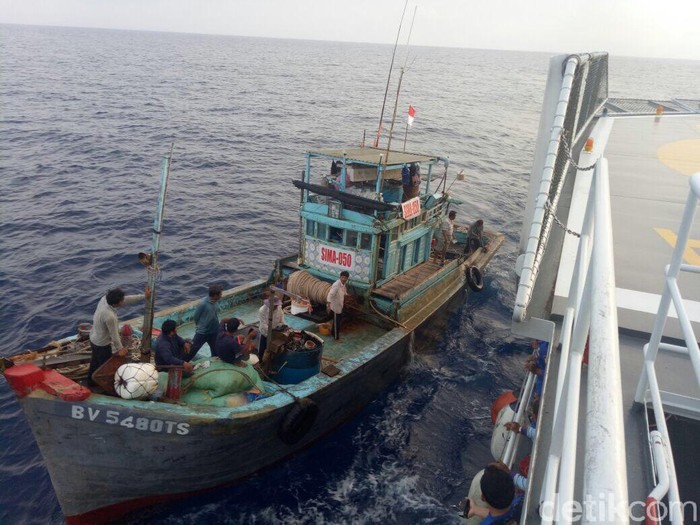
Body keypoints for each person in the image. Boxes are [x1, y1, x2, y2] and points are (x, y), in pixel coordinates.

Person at [87, 286, 150, 386]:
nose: (123, 302)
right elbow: (114, 335)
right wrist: (120, 349)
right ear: (116, 303)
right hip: (102, 345)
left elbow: (126, 300)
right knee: (106, 367)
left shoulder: (104, 299)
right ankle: (106, 385)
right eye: (121, 301)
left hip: (93, 338)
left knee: (95, 362)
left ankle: (90, 382)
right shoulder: (110, 316)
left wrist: (144, 296)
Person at [189, 285, 223, 360]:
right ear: (215, 295)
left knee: (215, 350)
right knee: (193, 349)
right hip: (203, 332)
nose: (221, 295)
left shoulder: (216, 302)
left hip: (214, 331)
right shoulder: (203, 304)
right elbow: (196, 316)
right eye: (220, 294)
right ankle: (182, 364)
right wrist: (200, 326)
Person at [258, 293, 285, 361]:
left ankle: (271, 362)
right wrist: (272, 331)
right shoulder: (262, 310)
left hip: (275, 332)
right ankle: (261, 362)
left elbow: (282, 320)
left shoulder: (279, 309)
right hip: (265, 333)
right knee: (262, 349)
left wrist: (284, 326)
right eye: (274, 305)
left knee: (274, 350)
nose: (276, 307)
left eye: (277, 305)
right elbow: (264, 324)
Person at [326, 270, 349, 341]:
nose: (343, 279)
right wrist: (328, 305)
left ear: (347, 278)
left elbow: (344, 291)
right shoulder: (336, 285)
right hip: (335, 307)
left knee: (337, 321)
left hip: (340, 306)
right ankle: (336, 338)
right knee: (337, 323)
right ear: (340, 277)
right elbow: (330, 294)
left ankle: (333, 332)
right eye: (342, 277)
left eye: (345, 278)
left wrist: (347, 295)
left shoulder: (343, 284)